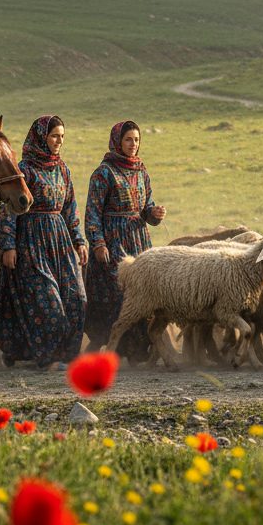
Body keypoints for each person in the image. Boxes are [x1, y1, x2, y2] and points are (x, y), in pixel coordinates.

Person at [0, 115, 87, 369]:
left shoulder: (63, 169)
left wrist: (79, 240)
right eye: (54, 135)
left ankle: (65, 355)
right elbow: (9, 208)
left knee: (77, 299)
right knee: (48, 301)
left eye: (62, 136)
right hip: (31, 241)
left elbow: (70, 208)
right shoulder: (25, 169)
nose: (59, 141)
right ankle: (47, 357)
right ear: (41, 137)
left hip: (60, 241)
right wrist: (8, 244)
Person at [83, 121, 166, 357]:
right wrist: (98, 243)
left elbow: (146, 207)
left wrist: (154, 213)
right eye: (128, 139)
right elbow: (92, 212)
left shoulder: (141, 171)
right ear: (118, 141)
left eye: (137, 140)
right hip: (112, 241)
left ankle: (137, 350)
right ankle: (106, 345)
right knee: (117, 293)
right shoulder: (103, 173)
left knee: (141, 292)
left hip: (138, 240)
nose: (133, 144)